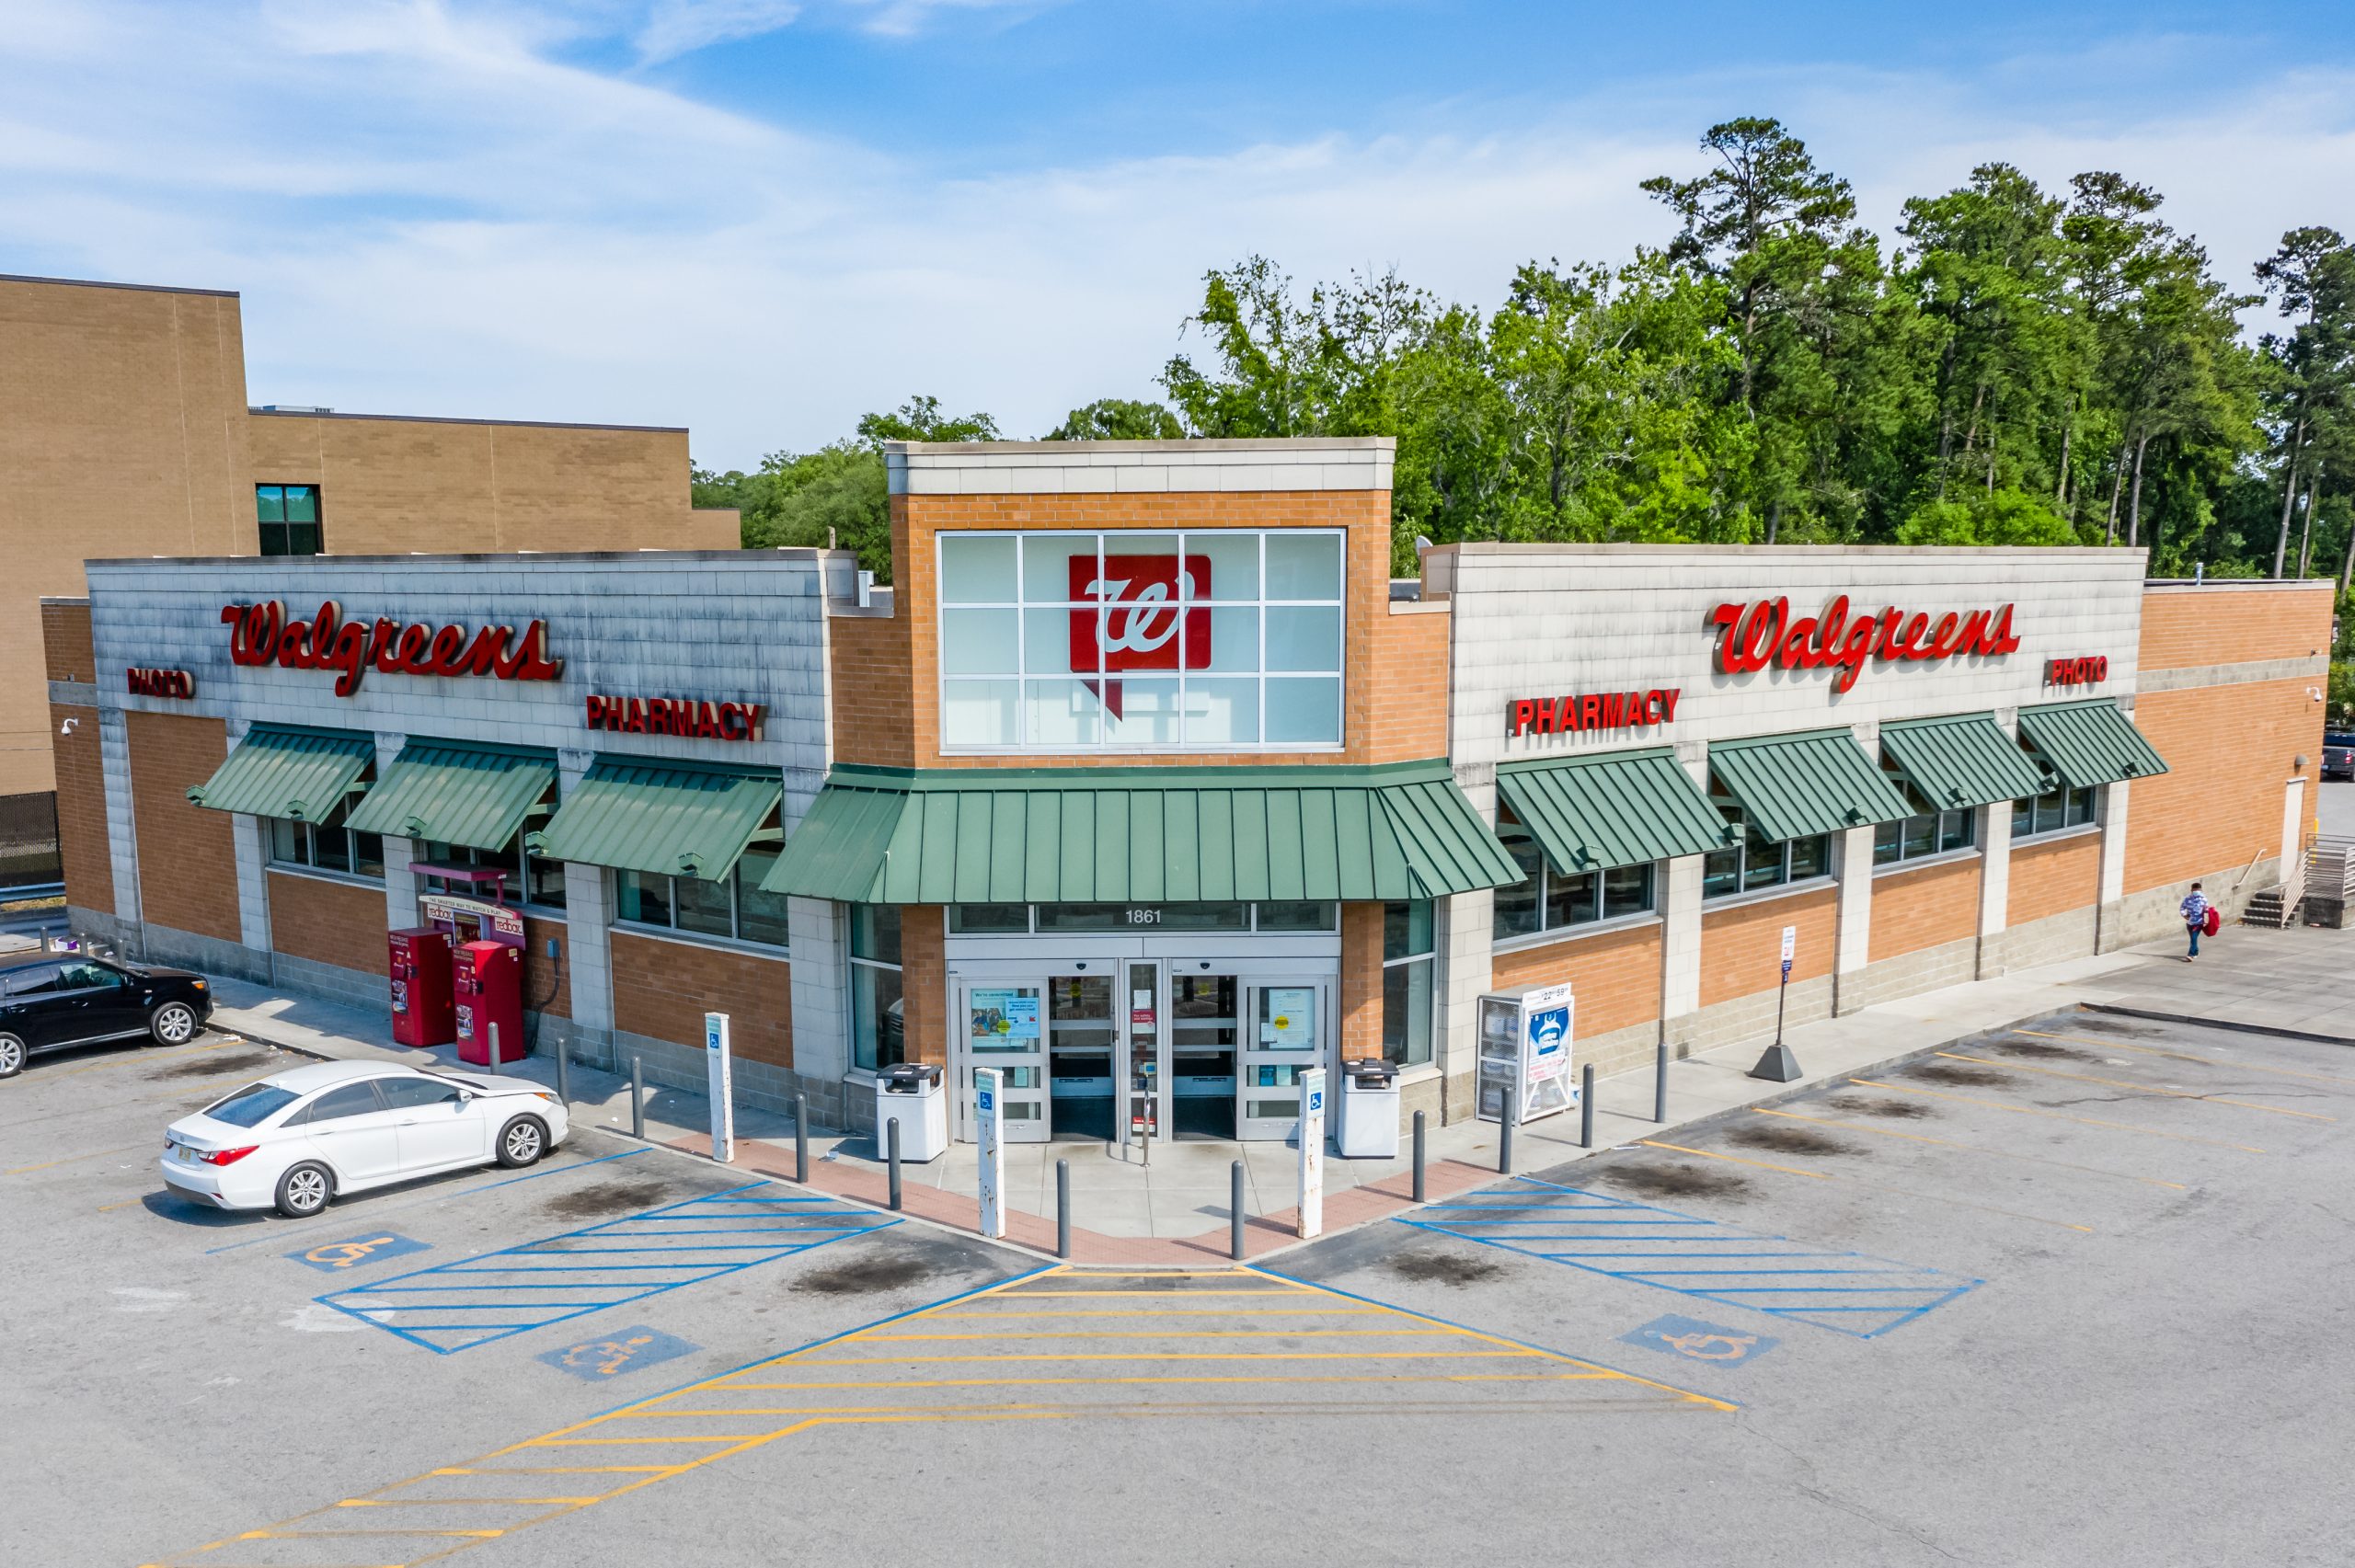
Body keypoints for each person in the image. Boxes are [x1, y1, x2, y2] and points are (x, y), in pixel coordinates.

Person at [2181, 883, 2210, 961]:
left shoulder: (2204, 899)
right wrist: (2184, 915)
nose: (2196, 891)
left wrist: (2206, 921)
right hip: (2189, 923)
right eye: (2195, 890)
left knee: (2193, 938)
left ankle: (2191, 955)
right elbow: (2182, 908)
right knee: (2193, 939)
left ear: (2201, 890)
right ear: (2191, 890)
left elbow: (2206, 911)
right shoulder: (2187, 899)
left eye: (2198, 890)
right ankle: (2196, 952)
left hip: (2199, 923)